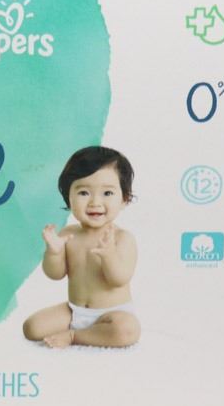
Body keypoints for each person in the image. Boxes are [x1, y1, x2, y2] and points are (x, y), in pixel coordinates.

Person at [22, 146, 140, 348]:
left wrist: (109, 255)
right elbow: (55, 274)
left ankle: (74, 336)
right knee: (32, 327)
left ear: (124, 199)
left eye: (107, 193)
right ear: (69, 198)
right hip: (75, 311)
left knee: (126, 331)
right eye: (84, 192)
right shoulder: (69, 234)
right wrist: (54, 252)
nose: (95, 202)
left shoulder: (122, 238)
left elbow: (119, 279)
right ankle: (85, 331)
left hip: (112, 314)